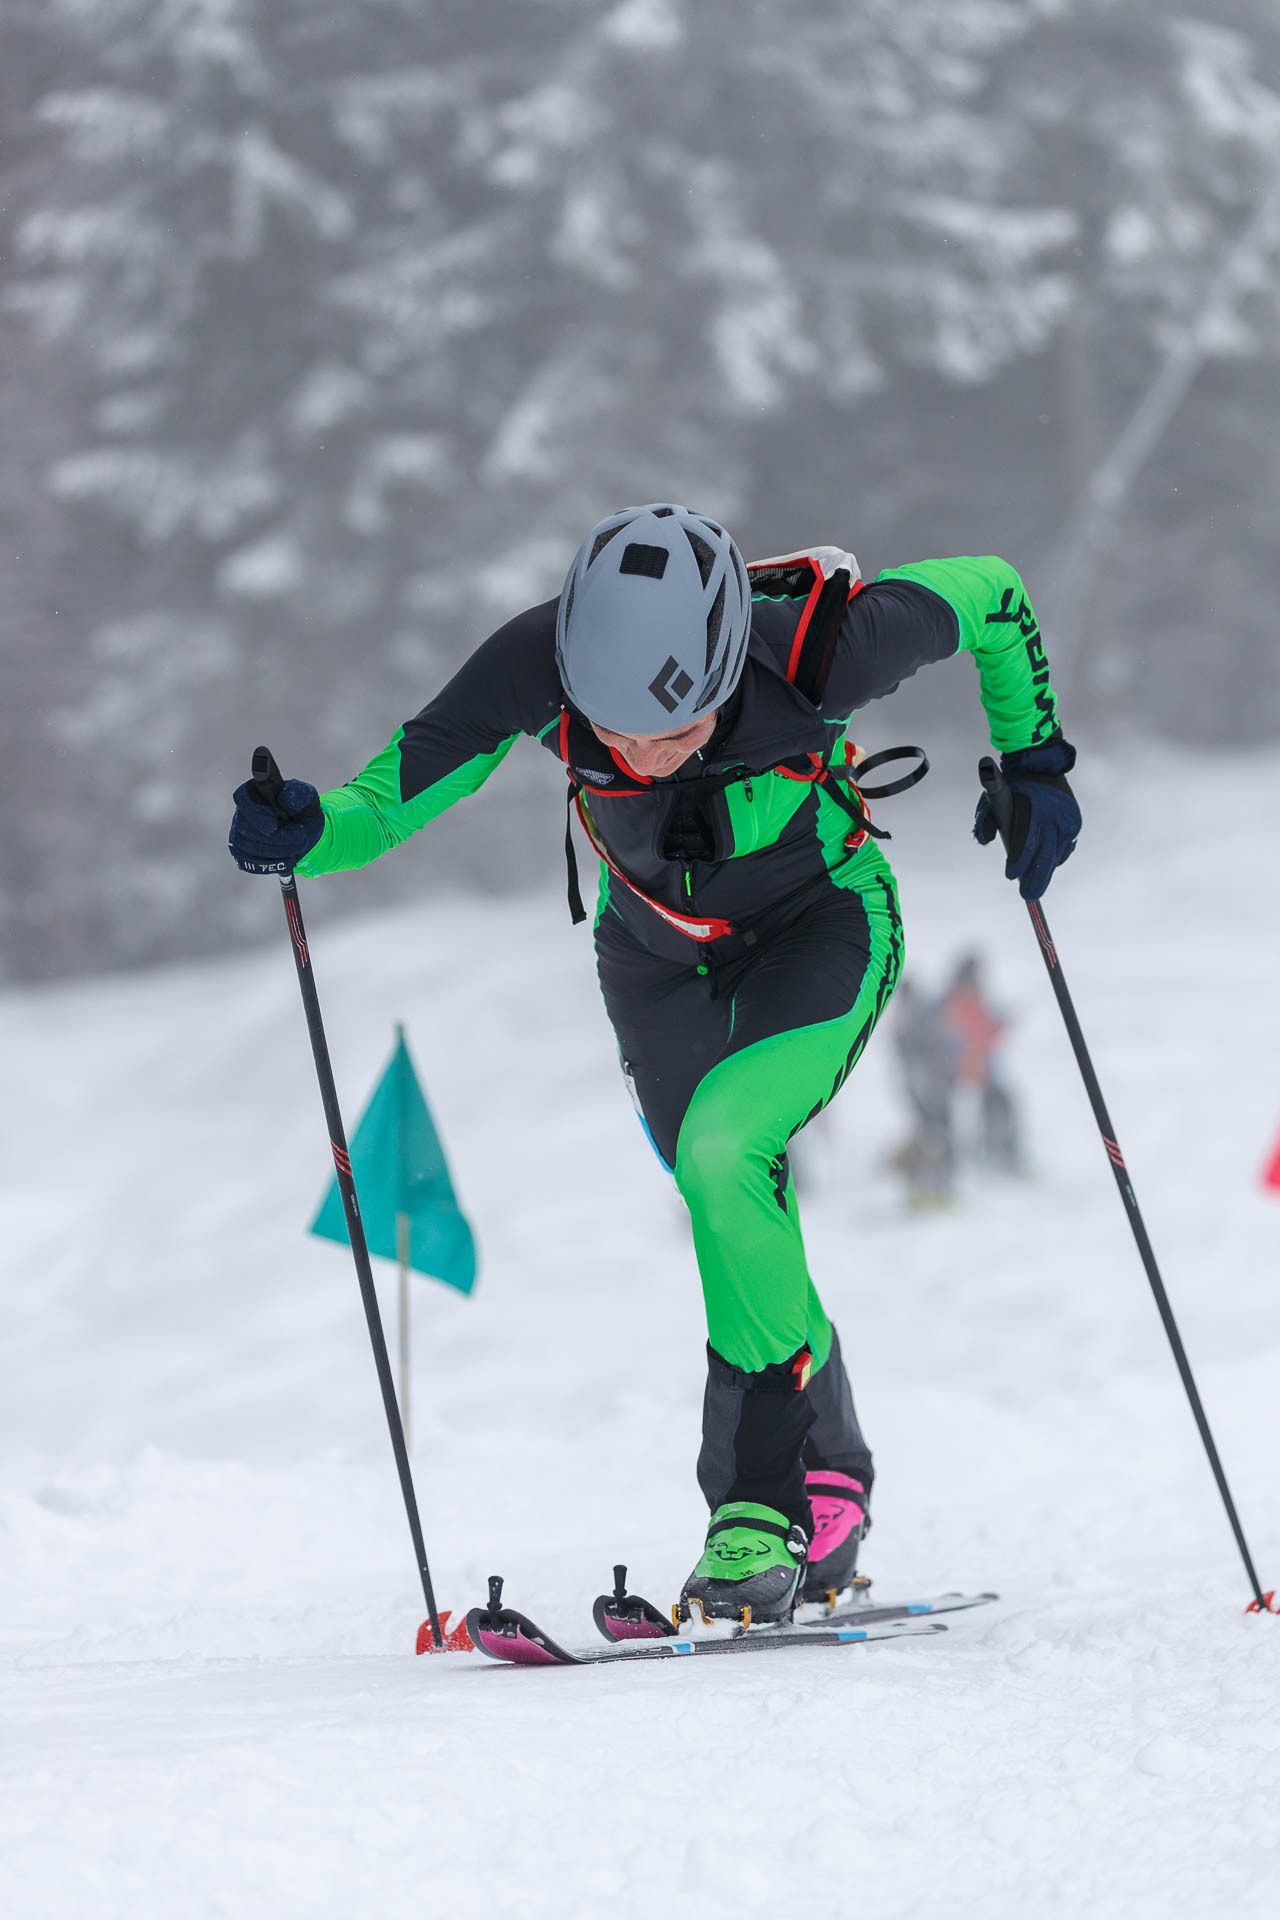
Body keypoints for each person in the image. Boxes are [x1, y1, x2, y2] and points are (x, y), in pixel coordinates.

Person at [229, 504, 1081, 1624]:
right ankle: (831, 1486)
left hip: (822, 924)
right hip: (650, 957)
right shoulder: (536, 663)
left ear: (727, 660)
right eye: (613, 731)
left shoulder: (821, 645)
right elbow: (388, 798)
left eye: (672, 731)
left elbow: (993, 588)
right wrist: (307, 828)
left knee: (727, 1153)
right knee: (729, 1205)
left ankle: (756, 1511)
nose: (638, 753)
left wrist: (1034, 760)